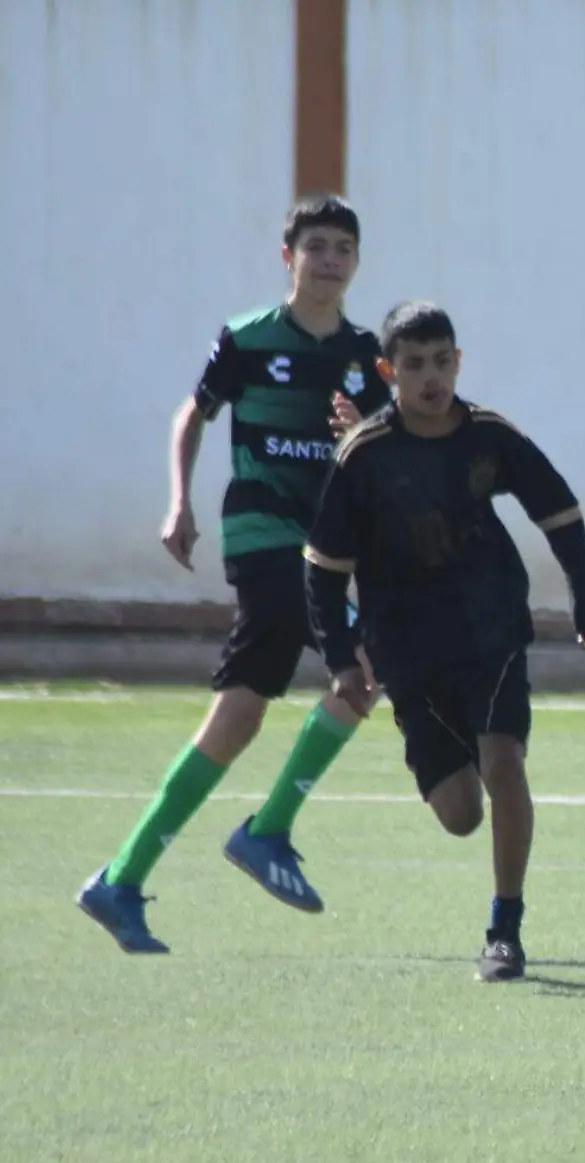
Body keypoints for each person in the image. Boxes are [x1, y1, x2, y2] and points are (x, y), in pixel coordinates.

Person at [78, 194, 388, 954]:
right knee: (361, 668)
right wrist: (179, 502)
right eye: (315, 245)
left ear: (356, 262)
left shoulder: (363, 354)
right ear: (289, 257)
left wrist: (366, 433)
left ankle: (122, 878)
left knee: (256, 711)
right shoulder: (248, 338)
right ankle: (267, 831)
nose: (329, 259)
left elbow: (385, 446)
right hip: (264, 534)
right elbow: (195, 414)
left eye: (343, 247)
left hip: (325, 546)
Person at [304, 299, 585, 982]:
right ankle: (459, 758)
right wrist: (339, 658)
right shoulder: (366, 454)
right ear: (388, 371)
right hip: (408, 651)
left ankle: (505, 928)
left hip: (491, 632)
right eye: (413, 365)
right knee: (460, 815)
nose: (430, 377)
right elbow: (323, 569)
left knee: (505, 762)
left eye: (441, 361)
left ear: (458, 362)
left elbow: (557, 508)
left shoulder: (488, 435)